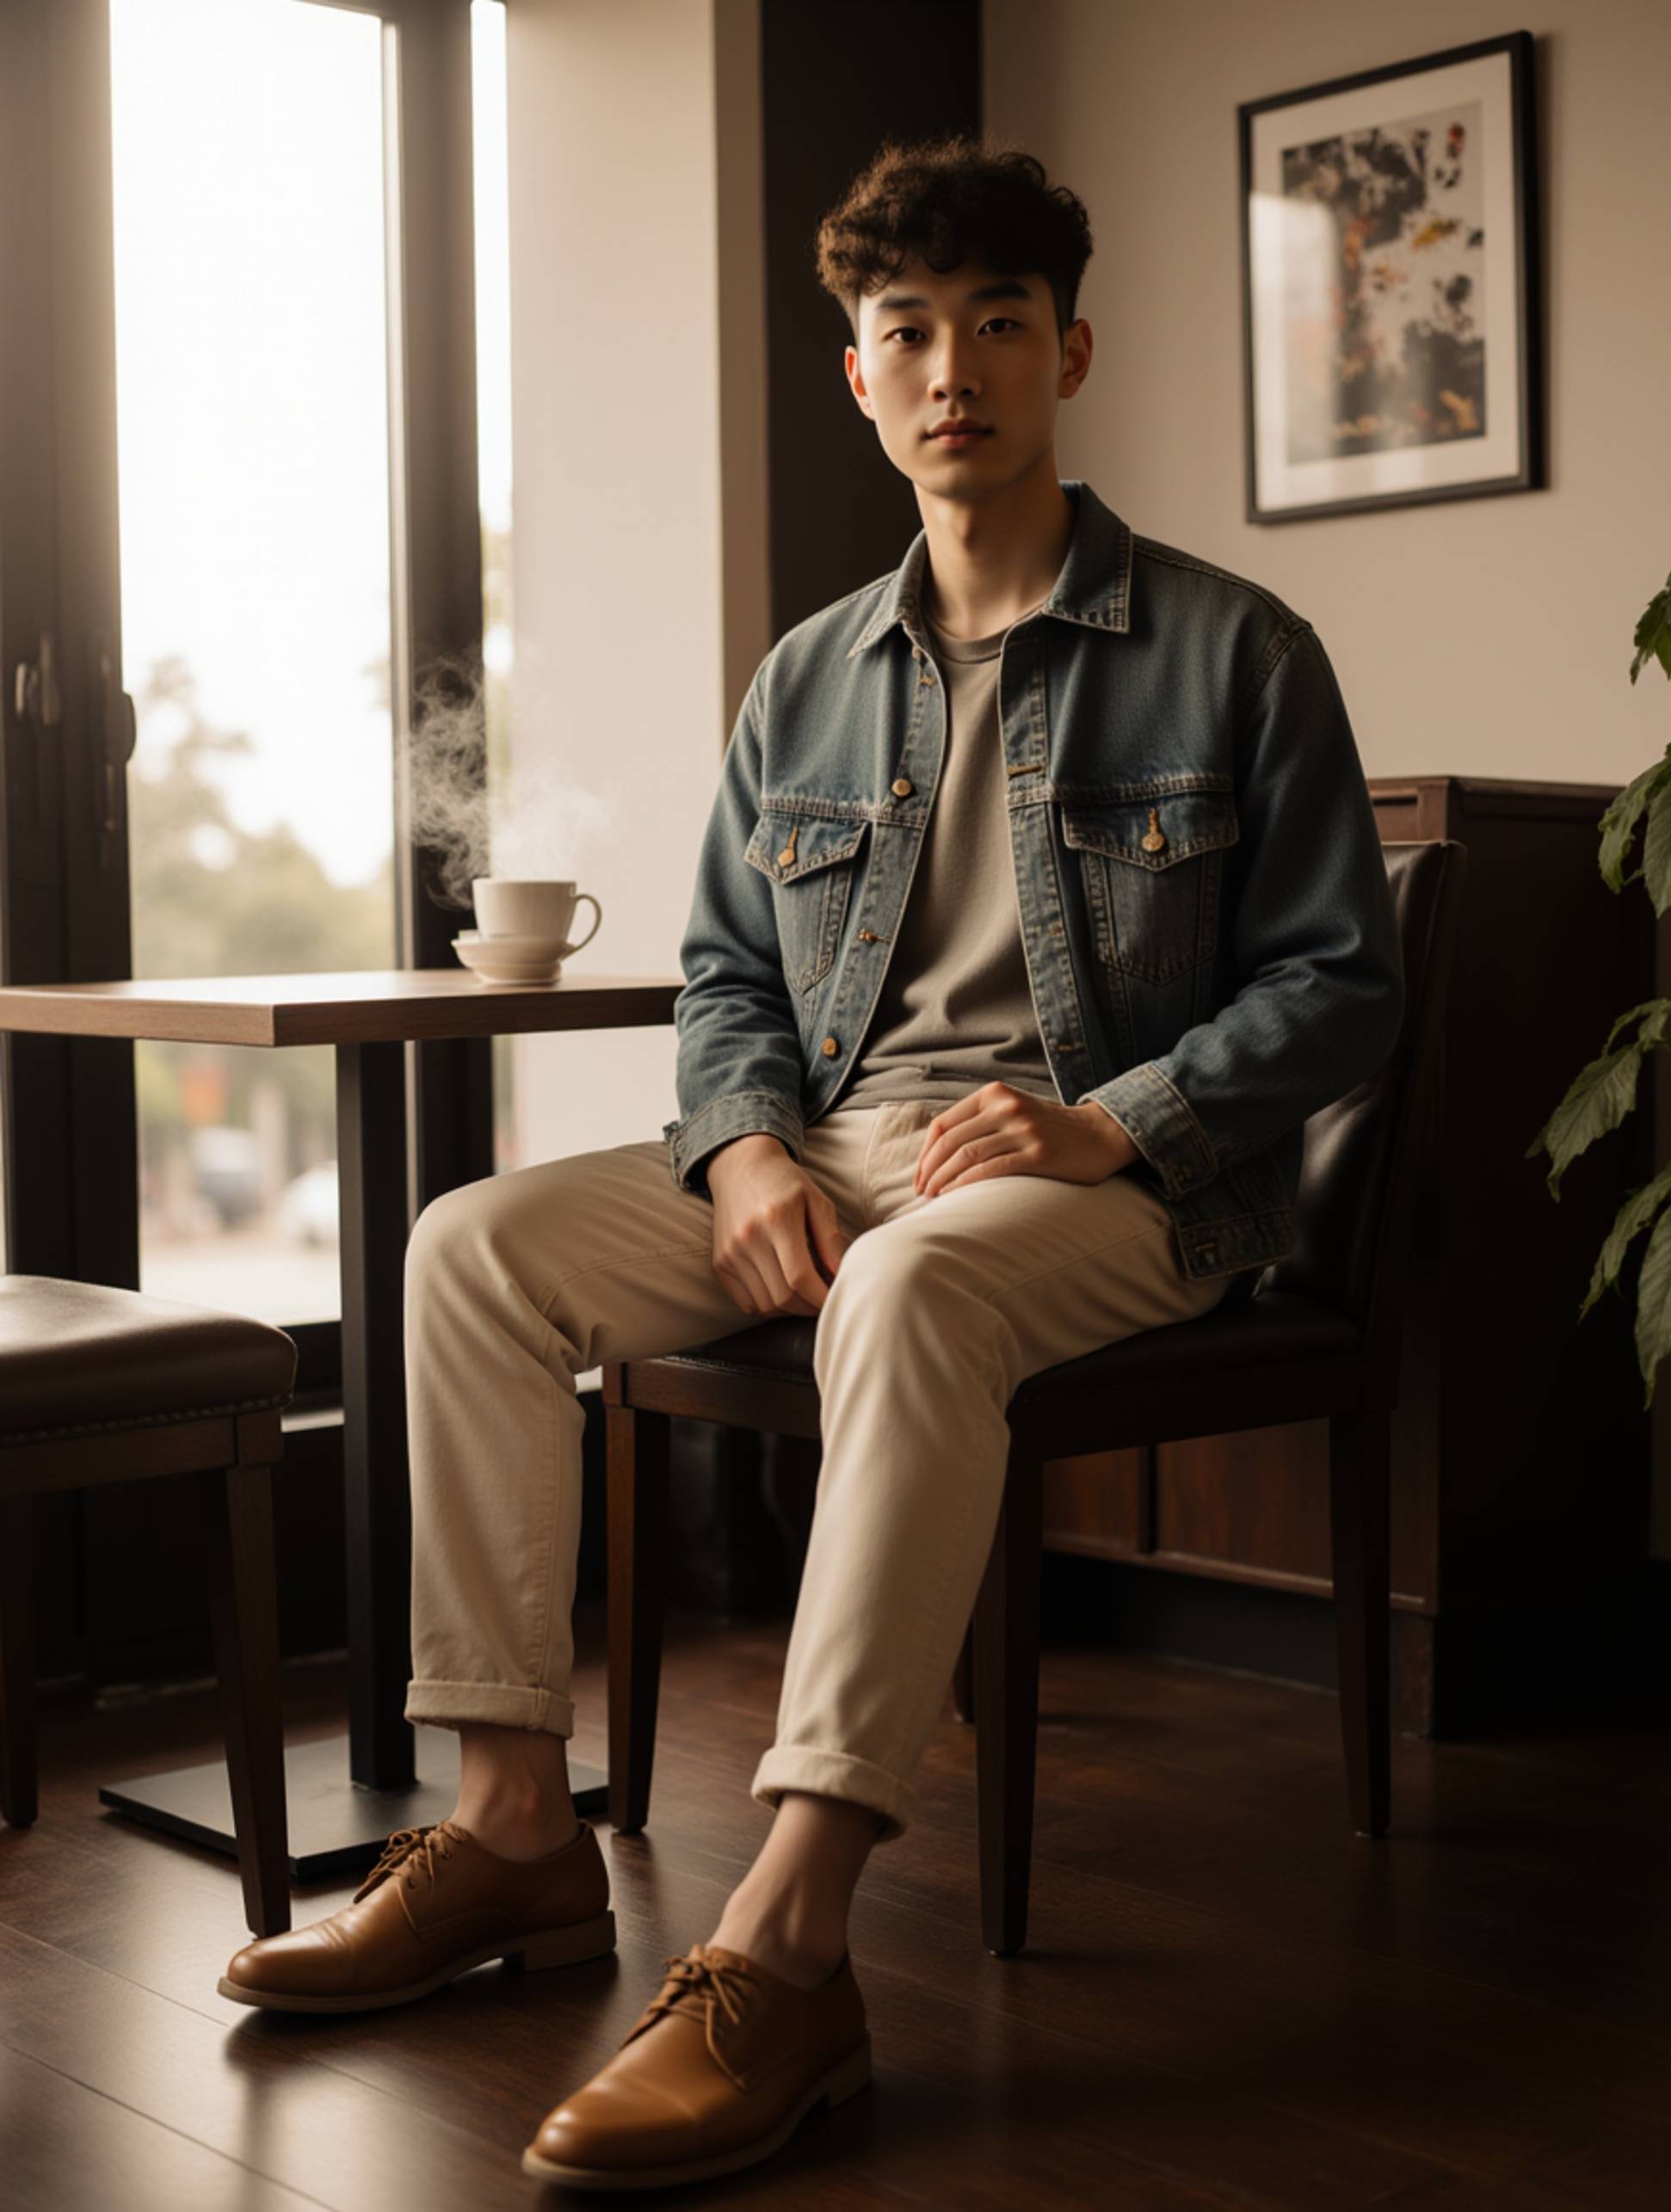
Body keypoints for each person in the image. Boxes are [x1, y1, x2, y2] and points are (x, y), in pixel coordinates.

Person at [216, 131, 1404, 2192]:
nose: (956, 367)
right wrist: (750, 1139)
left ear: (1070, 353)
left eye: (999, 325)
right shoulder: (807, 680)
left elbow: (1340, 990)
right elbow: (718, 978)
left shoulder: (1235, 649)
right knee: (467, 1245)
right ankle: (511, 1830)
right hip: (840, 1141)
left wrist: (1103, 1116)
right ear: (859, 376)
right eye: (907, 331)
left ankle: (789, 1940)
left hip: (1112, 1181)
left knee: (923, 1281)